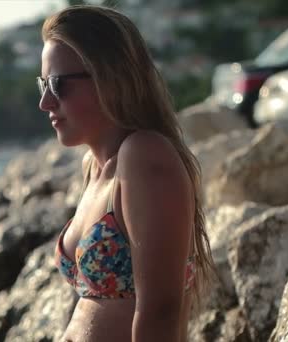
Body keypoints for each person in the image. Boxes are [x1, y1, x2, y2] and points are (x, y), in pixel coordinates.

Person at [37, 5, 214, 342]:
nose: (45, 102)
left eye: (58, 84)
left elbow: (160, 310)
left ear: (110, 78)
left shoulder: (144, 156)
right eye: (42, 84)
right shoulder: (95, 168)